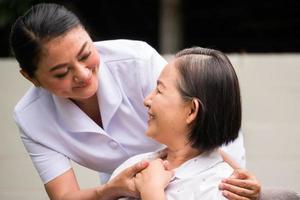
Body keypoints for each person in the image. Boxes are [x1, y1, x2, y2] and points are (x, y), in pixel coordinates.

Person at [9, 3, 260, 200]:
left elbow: (209, 110)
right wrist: (113, 190)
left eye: (86, 54)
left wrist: (235, 180)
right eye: (62, 73)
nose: (83, 75)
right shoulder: (33, 117)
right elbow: (65, 196)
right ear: (31, 77)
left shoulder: (136, 61)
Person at [110, 46, 260, 200]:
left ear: (191, 111)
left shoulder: (225, 190)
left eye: (159, 90)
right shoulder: (132, 168)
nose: (147, 100)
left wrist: (151, 191)